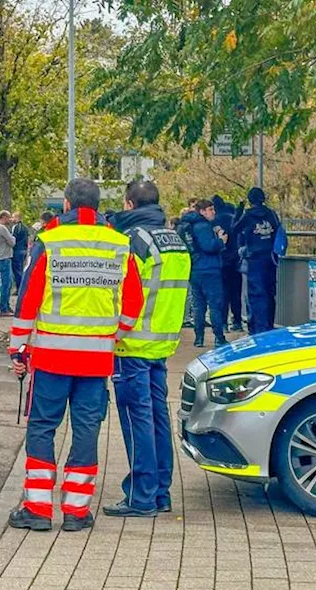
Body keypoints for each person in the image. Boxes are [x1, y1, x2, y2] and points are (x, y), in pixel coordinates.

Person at [8, 178, 143, 533]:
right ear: (98, 206)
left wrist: (19, 347)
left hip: (52, 356)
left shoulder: (50, 241)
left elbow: (28, 297)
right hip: (96, 359)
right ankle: (76, 510)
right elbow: (133, 304)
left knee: (42, 427)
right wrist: (114, 334)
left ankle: (38, 508)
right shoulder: (119, 244)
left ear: (66, 204)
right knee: (86, 430)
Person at [101, 180, 189, 517]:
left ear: (128, 204)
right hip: (162, 341)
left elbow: (124, 292)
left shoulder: (135, 241)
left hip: (132, 342)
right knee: (157, 416)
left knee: (136, 419)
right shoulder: (175, 240)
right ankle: (160, 491)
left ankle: (141, 495)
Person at [237, 187, 283, 335]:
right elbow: (278, 231)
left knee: (256, 295)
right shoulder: (271, 214)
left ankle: (258, 328)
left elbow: (234, 229)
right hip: (270, 259)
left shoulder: (248, 216)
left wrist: (239, 211)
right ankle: (269, 325)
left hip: (254, 259)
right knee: (270, 293)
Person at [186, 200, 228, 348]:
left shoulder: (191, 226)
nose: (213, 212)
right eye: (210, 209)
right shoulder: (203, 226)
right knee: (215, 304)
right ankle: (219, 337)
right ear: (202, 211)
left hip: (196, 268)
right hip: (209, 269)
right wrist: (221, 241)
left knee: (199, 305)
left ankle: (199, 338)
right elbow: (209, 246)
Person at [212, 195, 243, 331]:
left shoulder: (214, 221)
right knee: (236, 292)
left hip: (221, 260)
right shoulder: (233, 218)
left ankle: (223, 323)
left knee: (223, 293)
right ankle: (237, 321)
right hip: (236, 259)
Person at [0, 211, 17, 316]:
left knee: (8, 283)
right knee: (6, 284)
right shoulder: (2, 228)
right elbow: (12, 242)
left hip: (1, 257)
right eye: (8, 217)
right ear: (3, 217)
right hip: (4, 258)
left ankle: (6, 306)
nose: (10, 219)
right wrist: (13, 237)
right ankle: (3, 308)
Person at [10, 211, 29, 295]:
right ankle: (22, 287)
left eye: (13, 217)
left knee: (16, 271)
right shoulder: (25, 227)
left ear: (17, 218)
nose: (12, 219)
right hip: (24, 250)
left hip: (17, 250)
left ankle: (19, 288)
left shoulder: (16, 227)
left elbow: (13, 239)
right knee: (21, 269)